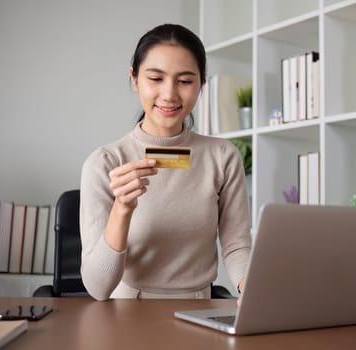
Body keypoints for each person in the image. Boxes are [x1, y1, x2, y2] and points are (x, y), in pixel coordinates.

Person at [79, 23, 252, 301]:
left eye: (185, 81)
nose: (170, 94)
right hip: (127, 316)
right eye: (155, 79)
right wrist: (122, 208)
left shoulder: (223, 156)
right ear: (134, 79)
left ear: (201, 84)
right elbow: (98, 289)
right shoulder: (105, 163)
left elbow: (236, 246)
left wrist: (248, 287)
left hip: (200, 311)